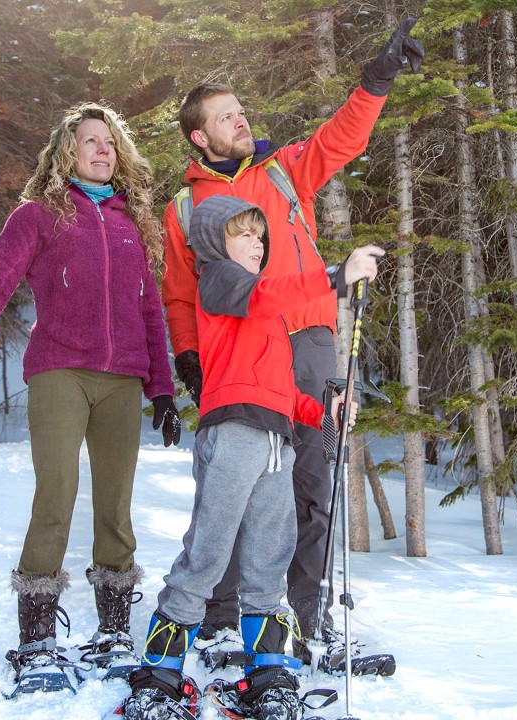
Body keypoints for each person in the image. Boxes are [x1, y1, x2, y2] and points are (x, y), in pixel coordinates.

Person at [160, 19, 423, 669]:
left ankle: (304, 618)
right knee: (231, 483)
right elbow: (178, 292)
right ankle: (220, 619)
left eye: (241, 111)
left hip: (305, 337)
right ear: (200, 135)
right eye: (227, 117)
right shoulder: (183, 210)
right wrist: (189, 356)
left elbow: (340, 140)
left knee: (310, 477)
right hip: (236, 355)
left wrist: (375, 81)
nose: (241, 121)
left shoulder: (280, 172)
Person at [0, 102, 182, 695]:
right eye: (89, 141)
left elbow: (150, 310)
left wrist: (163, 390)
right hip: (59, 372)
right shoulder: (39, 216)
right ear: (65, 152)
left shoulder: (132, 223)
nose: (101, 150)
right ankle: (38, 637)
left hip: (122, 379)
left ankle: (115, 630)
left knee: (117, 503)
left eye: (109, 142)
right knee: (57, 494)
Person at [122, 196, 383, 720]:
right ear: (216, 242)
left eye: (260, 236)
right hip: (234, 436)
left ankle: (267, 670)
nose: (257, 243)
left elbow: (281, 392)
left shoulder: (268, 319)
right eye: (244, 233)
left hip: (274, 444)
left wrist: (325, 411)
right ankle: (159, 671)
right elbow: (263, 294)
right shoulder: (218, 280)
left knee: (270, 554)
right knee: (210, 552)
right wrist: (334, 275)